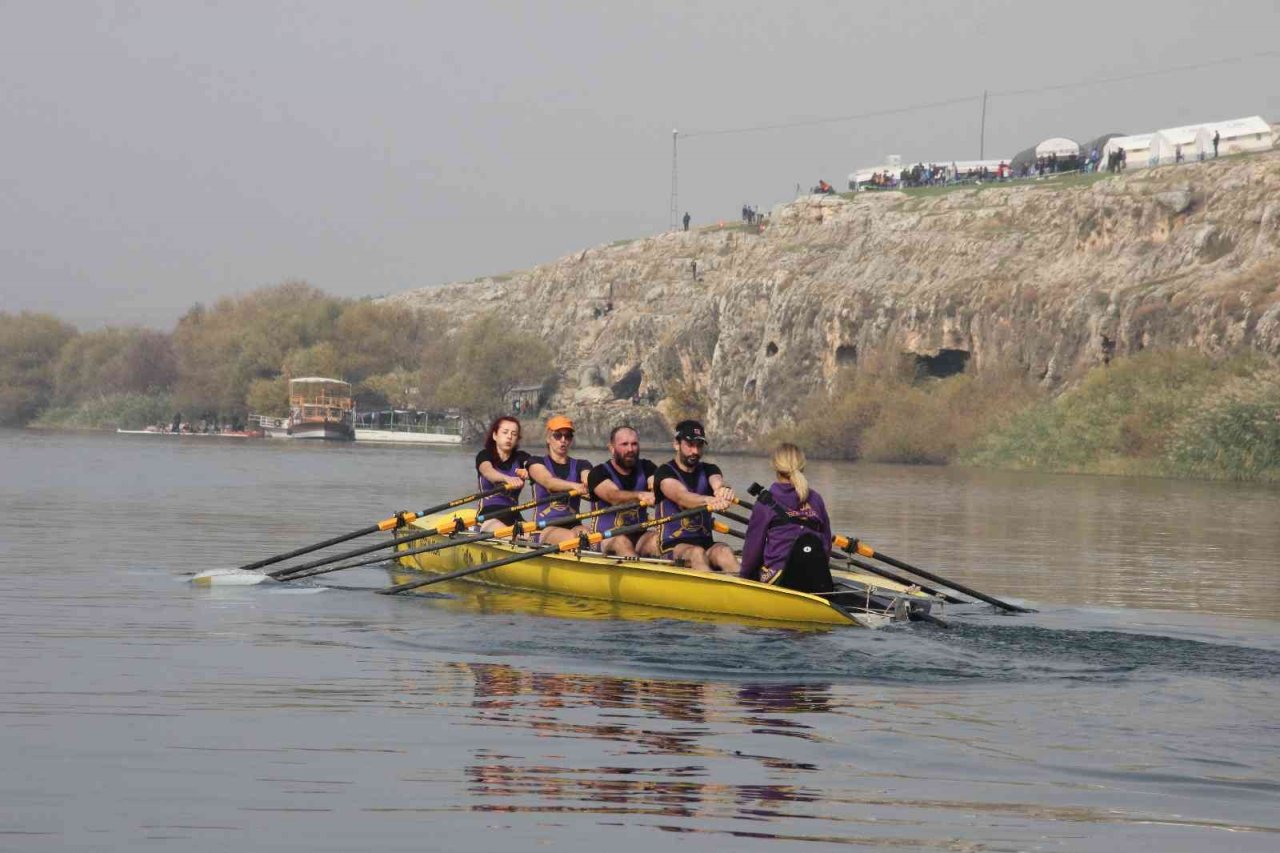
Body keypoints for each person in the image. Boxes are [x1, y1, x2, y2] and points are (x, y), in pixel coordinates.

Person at [739, 444, 833, 592]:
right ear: (803, 466)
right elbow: (826, 545)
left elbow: (753, 549)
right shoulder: (816, 499)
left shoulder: (765, 503)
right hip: (817, 577)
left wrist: (743, 578)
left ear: (775, 466)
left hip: (780, 579)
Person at [651, 419, 737, 573]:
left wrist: (723, 491)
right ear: (676, 444)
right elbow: (682, 497)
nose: (695, 451)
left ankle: (744, 586)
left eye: (699, 446)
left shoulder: (710, 469)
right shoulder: (664, 472)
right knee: (696, 553)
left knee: (725, 552)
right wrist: (709, 500)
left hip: (705, 543)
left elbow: (717, 483)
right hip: (672, 546)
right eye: (690, 445)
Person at [587, 425, 657, 557]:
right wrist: (641, 495)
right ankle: (637, 568)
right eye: (624, 444)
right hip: (605, 538)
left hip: (639, 537)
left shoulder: (647, 467)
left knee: (659, 540)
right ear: (611, 448)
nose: (630, 449)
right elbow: (613, 496)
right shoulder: (598, 473)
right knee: (621, 542)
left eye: (634, 444)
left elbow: (658, 486)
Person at [527, 416, 593, 546]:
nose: (563, 440)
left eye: (567, 436)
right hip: (544, 528)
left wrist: (589, 485)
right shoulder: (536, 462)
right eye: (558, 435)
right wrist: (576, 486)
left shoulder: (582, 464)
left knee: (591, 536)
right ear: (548, 438)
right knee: (571, 537)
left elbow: (588, 479)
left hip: (574, 525)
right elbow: (549, 482)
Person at [475, 416, 531, 532]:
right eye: (505, 432)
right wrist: (507, 479)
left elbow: (536, 468)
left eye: (514, 434)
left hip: (514, 515)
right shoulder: (484, 455)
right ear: (495, 435)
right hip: (488, 516)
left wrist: (530, 472)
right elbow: (488, 472)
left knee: (534, 536)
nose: (509, 437)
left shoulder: (521, 458)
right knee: (511, 533)